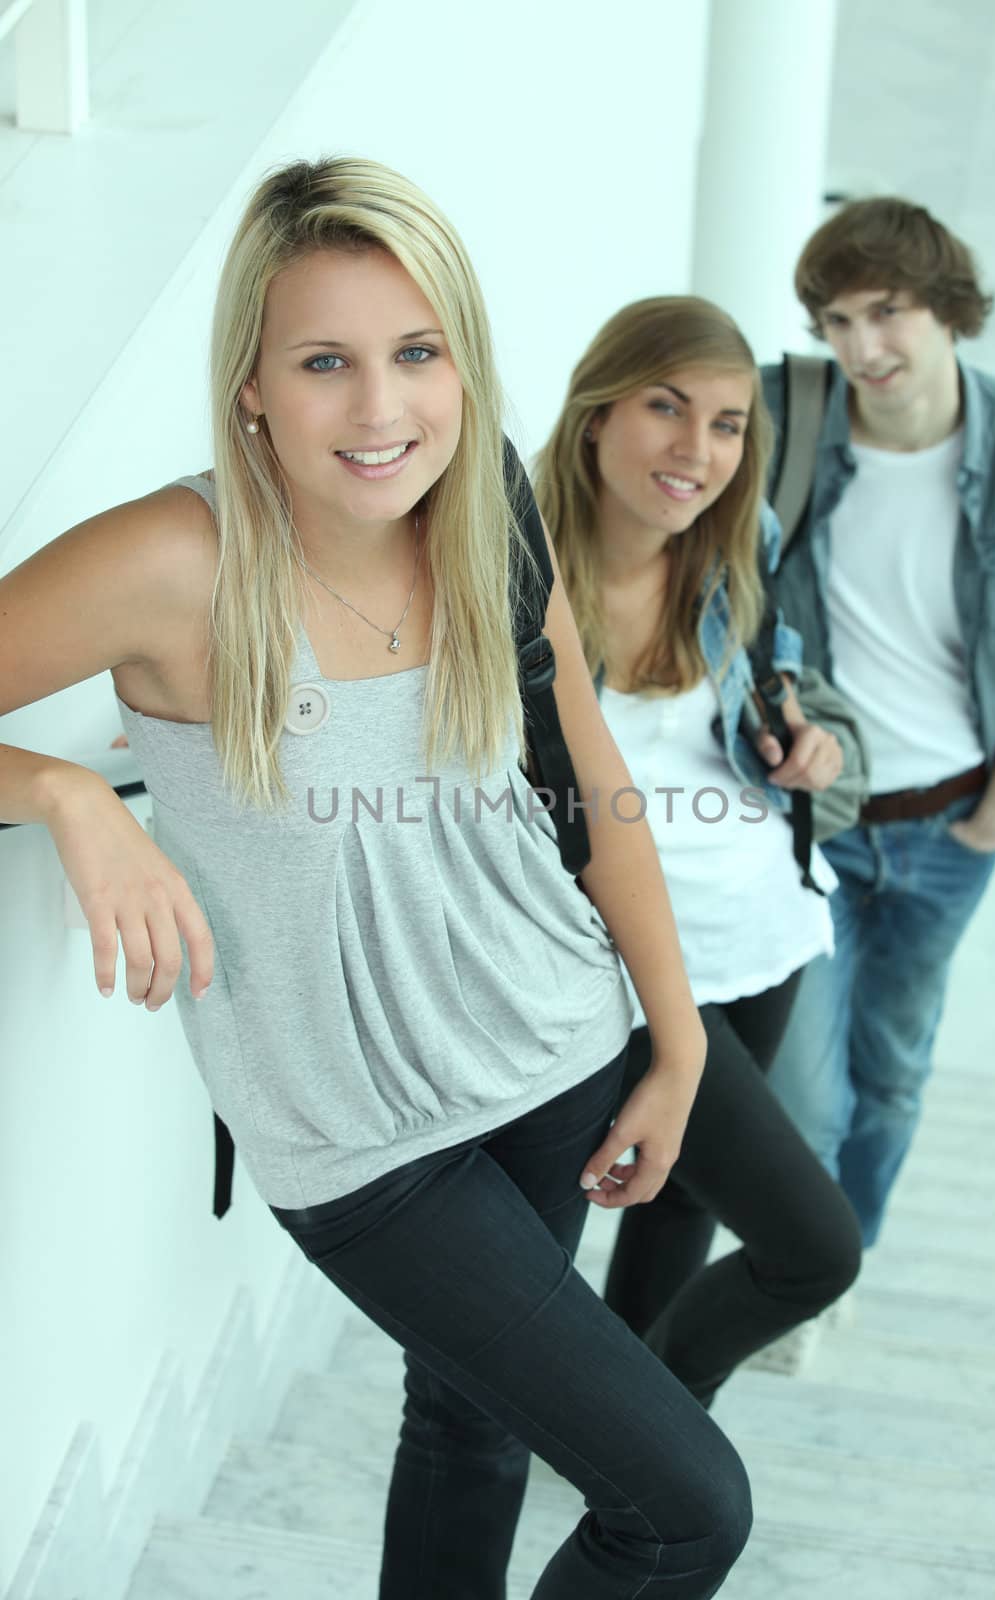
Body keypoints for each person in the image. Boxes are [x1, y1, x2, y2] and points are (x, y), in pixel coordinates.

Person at [0, 159, 755, 1598]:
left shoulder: (486, 527)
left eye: (416, 355)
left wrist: (676, 1042)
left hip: (553, 1049)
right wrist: (61, 789)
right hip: (361, 1143)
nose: (379, 410)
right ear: (252, 388)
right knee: (683, 1506)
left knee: (469, 1432)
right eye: (325, 363)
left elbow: (595, 797)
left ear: (463, 368)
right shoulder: (177, 562)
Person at [534, 295, 862, 1406]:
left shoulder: (737, 546)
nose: (697, 450)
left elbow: (774, 697)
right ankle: (651, 1433)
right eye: (664, 408)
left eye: (726, 424)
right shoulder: (507, 574)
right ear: (594, 414)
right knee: (813, 1251)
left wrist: (804, 747)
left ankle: (633, 1452)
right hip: (623, 969)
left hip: (757, 927)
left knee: (680, 1201)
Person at [763, 197, 995, 1248]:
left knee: (891, 1073)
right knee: (801, 1098)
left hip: (950, 830)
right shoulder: (780, 420)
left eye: (885, 312)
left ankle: (836, 1263)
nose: (862, 346)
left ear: (944, 309)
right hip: (812, 823)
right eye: (836, 321)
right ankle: (790, 1270)